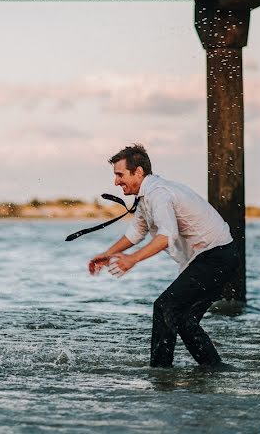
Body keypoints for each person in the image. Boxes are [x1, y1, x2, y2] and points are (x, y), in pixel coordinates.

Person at [87, 143, 238, 367]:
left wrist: (133, 259)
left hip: (216, 257)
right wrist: (108, 254)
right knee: (185, 320)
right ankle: (214, 370)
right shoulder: (147, 196)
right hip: (215, 258)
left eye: (120, 175)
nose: (116, 181)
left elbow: (166, 235)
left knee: (165, 306)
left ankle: (161, 374)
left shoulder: (159, 193)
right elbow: (137, 232)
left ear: (138, 172)